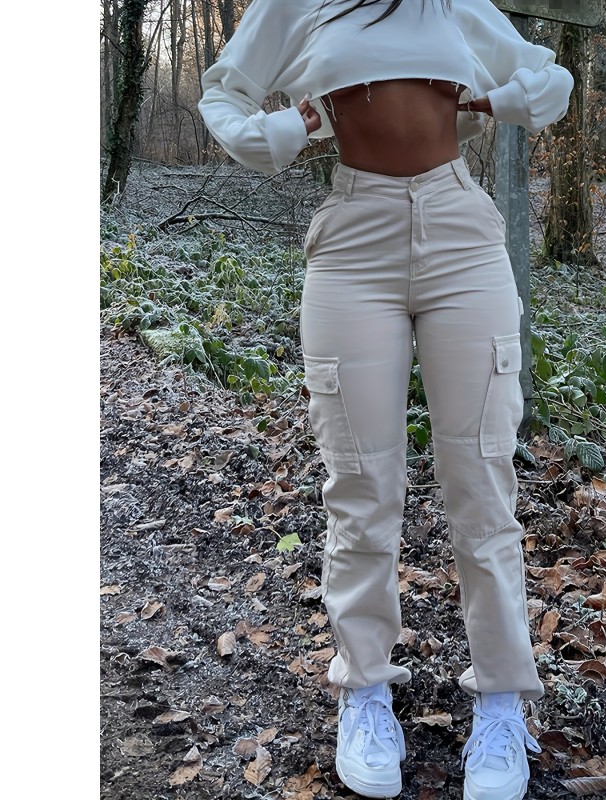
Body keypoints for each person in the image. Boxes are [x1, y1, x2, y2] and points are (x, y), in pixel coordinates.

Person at [199, 2, 573, 798]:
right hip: (352, 241)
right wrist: (278, 133)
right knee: (361, 484)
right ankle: (364, 688)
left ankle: (501, 701)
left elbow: (550, 81)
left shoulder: (450, 4)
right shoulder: (298, 6)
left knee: (483, 482)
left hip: (462, 234)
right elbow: (223, 94)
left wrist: (502, 100)